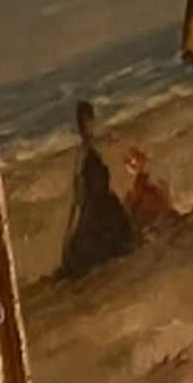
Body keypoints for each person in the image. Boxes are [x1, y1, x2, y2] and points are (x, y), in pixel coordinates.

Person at [53, 92, 139, 279]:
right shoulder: (84, 154)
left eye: (89, 120)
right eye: (85, 121)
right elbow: (80, 193)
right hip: (98, 207)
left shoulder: (89, 150)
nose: (88, 125)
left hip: (102, 203)